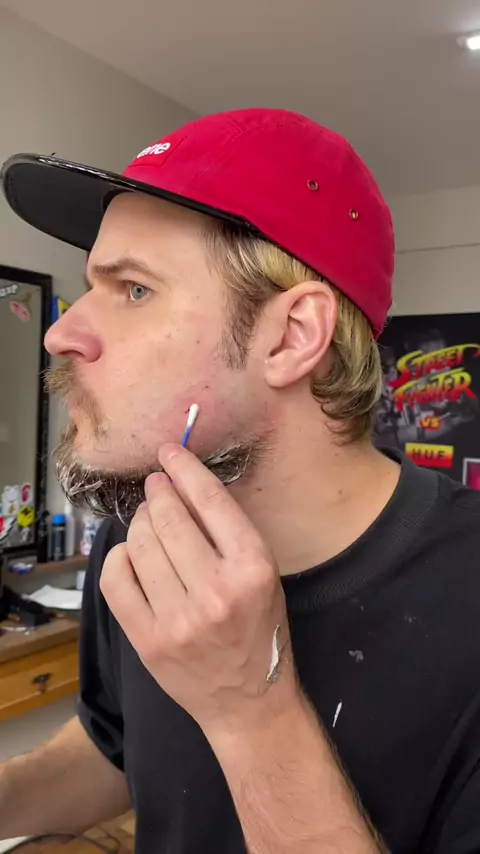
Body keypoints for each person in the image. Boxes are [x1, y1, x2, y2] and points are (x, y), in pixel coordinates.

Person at [1, 108, 479, 854]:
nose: (62, 333)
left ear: (291, 336)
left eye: (134, 290)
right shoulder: (144, 531)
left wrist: (250, 708)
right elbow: (115, 749)